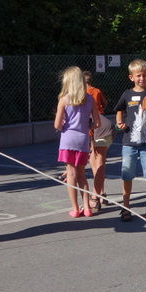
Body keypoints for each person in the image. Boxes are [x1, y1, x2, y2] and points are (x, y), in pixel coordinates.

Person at [114, 59, 146, 223]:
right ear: (131, 77)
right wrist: (119, 123)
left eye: (145, 75)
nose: (142, 78)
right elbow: (119, 109)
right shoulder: (127, 94)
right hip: (129, 143)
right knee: (127, 175)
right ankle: (126, 206)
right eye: (139, 75)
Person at [55, 66, 99, 218]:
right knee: (81, 174)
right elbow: (97, 123)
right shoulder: (90, 99)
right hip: (83, 139)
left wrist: (65, 126)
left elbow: (57, 125)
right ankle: (86, 207)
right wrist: (86, 127)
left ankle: (75, 208)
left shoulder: (64, 100)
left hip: (68, 139)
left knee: (71, 173)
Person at [84, 71, 112, 212]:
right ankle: (101, 193)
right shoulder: (96, 91)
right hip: (98, 123)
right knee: (95, 161)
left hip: (97, 126)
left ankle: (96, 197)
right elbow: (105, 103)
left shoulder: (83, 94)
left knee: (98, 162)